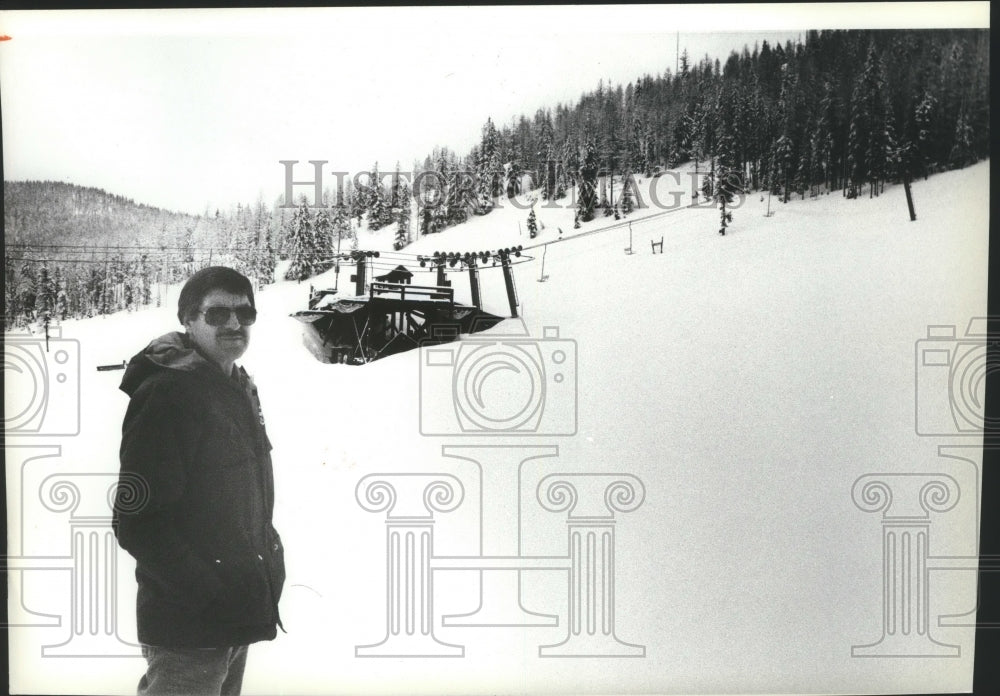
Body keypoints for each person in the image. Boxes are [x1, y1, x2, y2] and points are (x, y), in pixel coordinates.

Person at [113, 266, 284, 696]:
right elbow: (136, 521)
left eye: (245, 314)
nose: (233, 324)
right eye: (217, 314)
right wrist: (210, 592)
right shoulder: (169, 395)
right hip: (190, 628)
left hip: (233, 614)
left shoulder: (235, 385)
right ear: (188, 321)